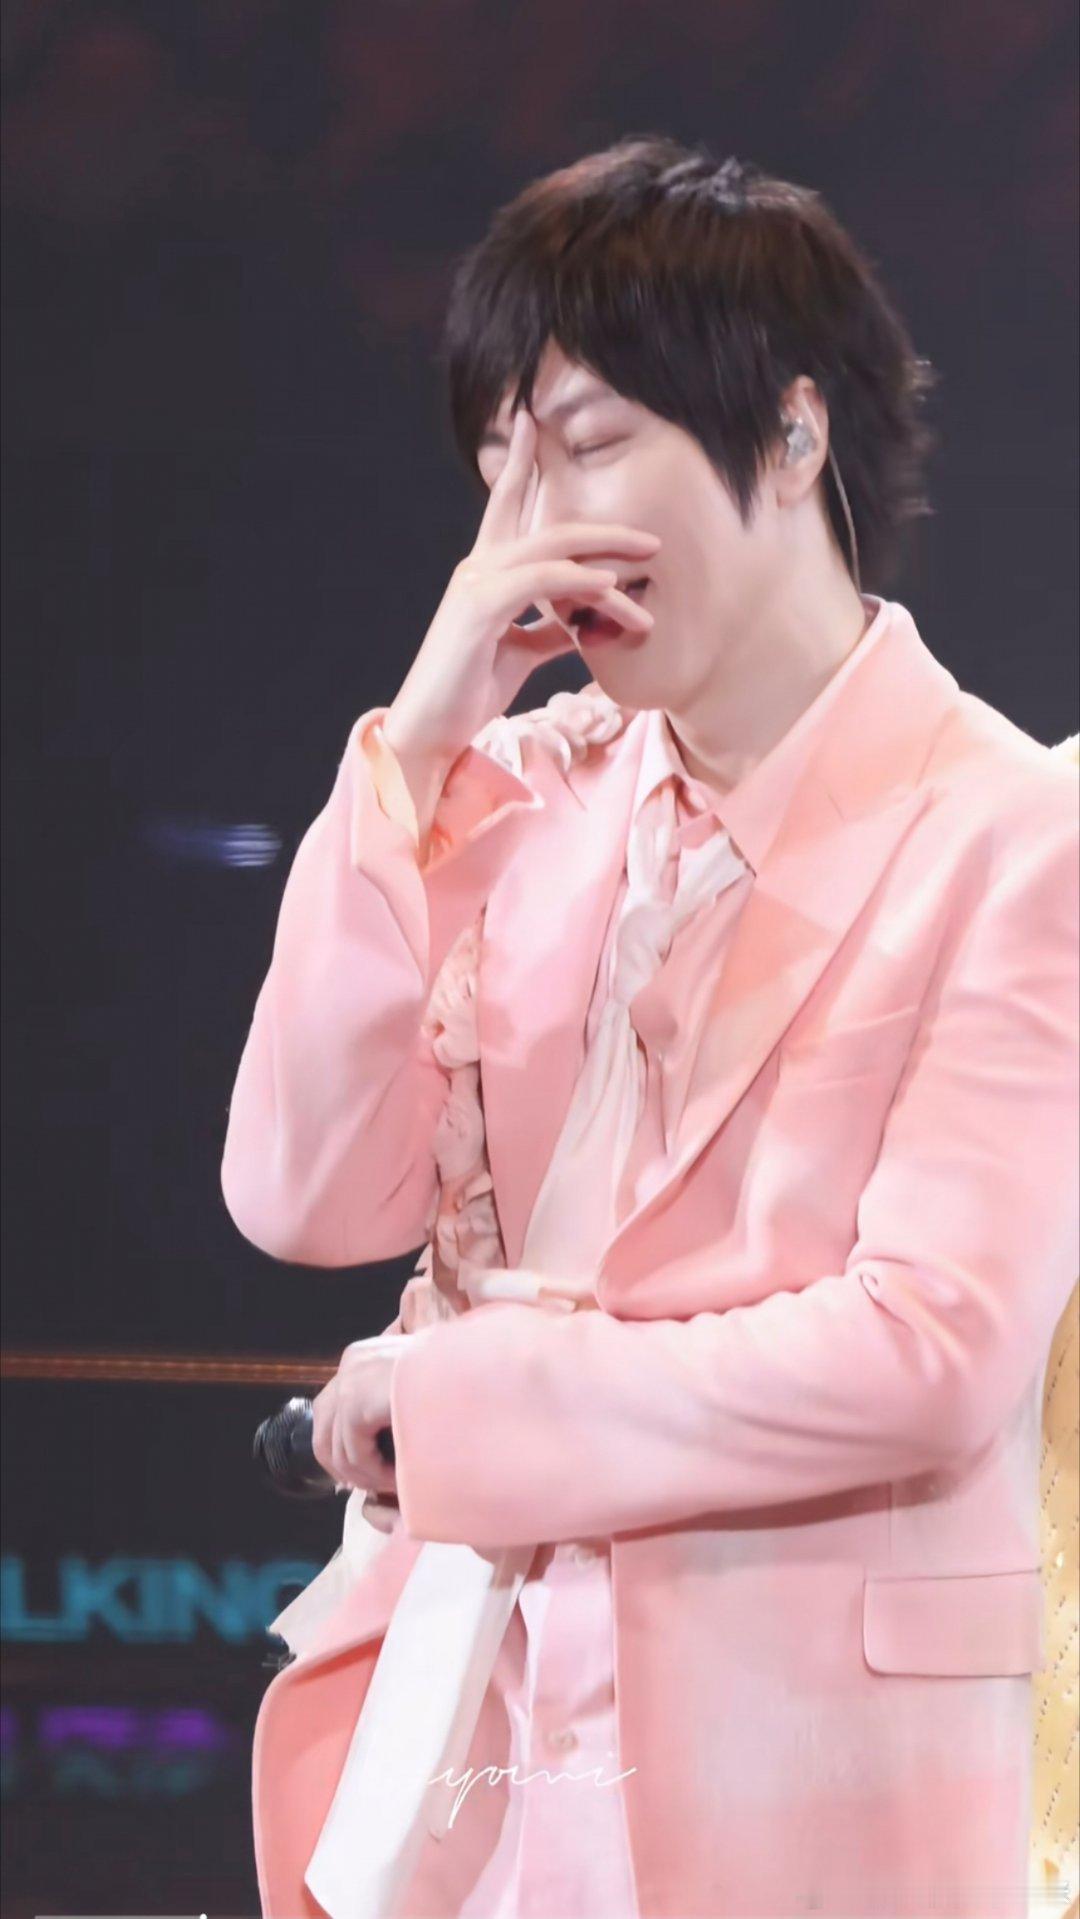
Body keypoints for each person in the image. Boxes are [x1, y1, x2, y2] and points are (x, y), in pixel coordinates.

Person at [221, 135, 1079, 1919]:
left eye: (592, 442)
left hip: (806, 1784)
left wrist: (464, 1400)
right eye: (499, 466)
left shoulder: (1016, 832)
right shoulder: (516, 790)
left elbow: (930, 1346)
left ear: (795, 433)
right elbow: (304, 1196)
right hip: (467, 1766)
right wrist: (418, 744)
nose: (533, 528)